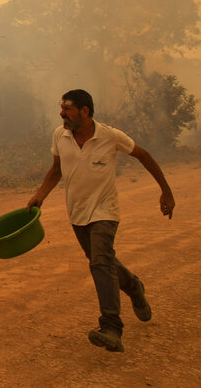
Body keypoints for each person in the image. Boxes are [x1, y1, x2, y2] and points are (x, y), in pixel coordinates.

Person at [27, 89, 175, 352]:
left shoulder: (109, 136)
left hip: (105, 210)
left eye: (68, 108)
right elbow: (57, 169)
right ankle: (133, 286)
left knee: (100, 261)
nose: (62, 113)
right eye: (61, 108)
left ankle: (111, 327)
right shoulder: (60, 135)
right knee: (102, 260)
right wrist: (40, 195)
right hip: (77, 212)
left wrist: (166, 191)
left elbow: (143, 155)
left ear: (85, 111)